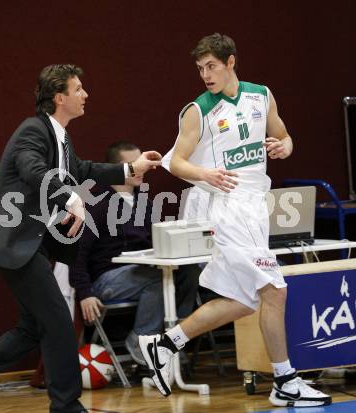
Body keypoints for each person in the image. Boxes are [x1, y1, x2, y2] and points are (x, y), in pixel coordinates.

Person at [0, 64, 161, 413]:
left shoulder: (59, 136)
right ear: (60, 97)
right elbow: (32, 170)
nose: (85, 94)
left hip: (34, 246)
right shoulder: (33, 131)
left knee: (32, 329)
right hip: (17, 245)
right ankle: (66, 405)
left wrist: (130, 170)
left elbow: (83, 170)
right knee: (58, 321)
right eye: (78, 89)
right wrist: (72, 199)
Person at [138, 33, 332, 408]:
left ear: (231, 63)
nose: (205, 75)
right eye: (200, 68)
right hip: (221, 205)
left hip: (254, 205)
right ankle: (285, 380)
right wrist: (204, 174)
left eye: (211, 66)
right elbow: (175, 161)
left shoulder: (261, 95)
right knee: (274, 290)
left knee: (245, 300)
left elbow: (284, 135)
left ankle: (164, 344)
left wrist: (285, 146)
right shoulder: (199, 109)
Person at [69, 141, 200, 365]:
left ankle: (176, 336)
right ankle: (142, 340)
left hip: (143, 270)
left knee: (189, 271)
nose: (142, 168)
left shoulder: (145, 202)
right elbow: (76, 254)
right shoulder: (96, 205)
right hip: (108, 278)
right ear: (116, 168)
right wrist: (85, 293)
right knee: (158, 278)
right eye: (133, 164)